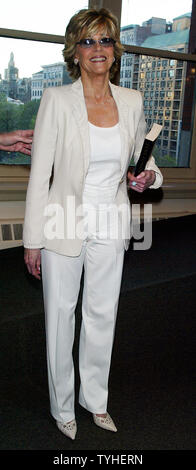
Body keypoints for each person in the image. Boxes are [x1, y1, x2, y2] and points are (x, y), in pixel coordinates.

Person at [23, 8, 163, 441]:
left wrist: (149, 176)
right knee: (61, 317)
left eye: (104, 40)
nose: (97, 49)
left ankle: (94, 400)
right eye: (88, 41)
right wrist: (32, 241)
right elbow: (40, 174)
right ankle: (62, 405)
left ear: (114, 49)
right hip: (63, 218)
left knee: (102, 315)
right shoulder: (57, 101)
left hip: (111, 217)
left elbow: (148, 163)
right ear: (75, 51)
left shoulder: (133, 101)